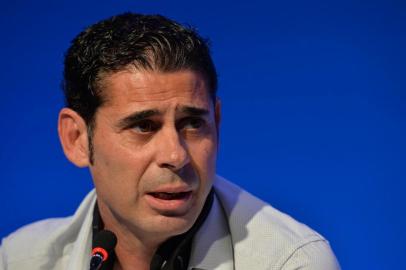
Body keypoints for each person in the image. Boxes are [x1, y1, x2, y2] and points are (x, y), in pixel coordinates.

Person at [0, 13, 340, 270]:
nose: (176, 155)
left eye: (193, 124)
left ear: (217, 125)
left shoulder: (291, 262)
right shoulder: (20, 259)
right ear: (76, 139)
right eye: (144, 126)